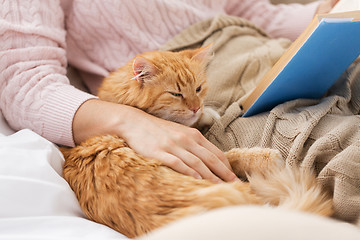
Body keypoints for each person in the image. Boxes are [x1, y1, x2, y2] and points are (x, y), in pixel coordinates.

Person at [0, 0, 339, 183]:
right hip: (181, 81)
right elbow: (24, 80)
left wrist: (327, 12)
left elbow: (247, 12)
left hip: (258, 51)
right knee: (341, 154)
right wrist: (132, 123)